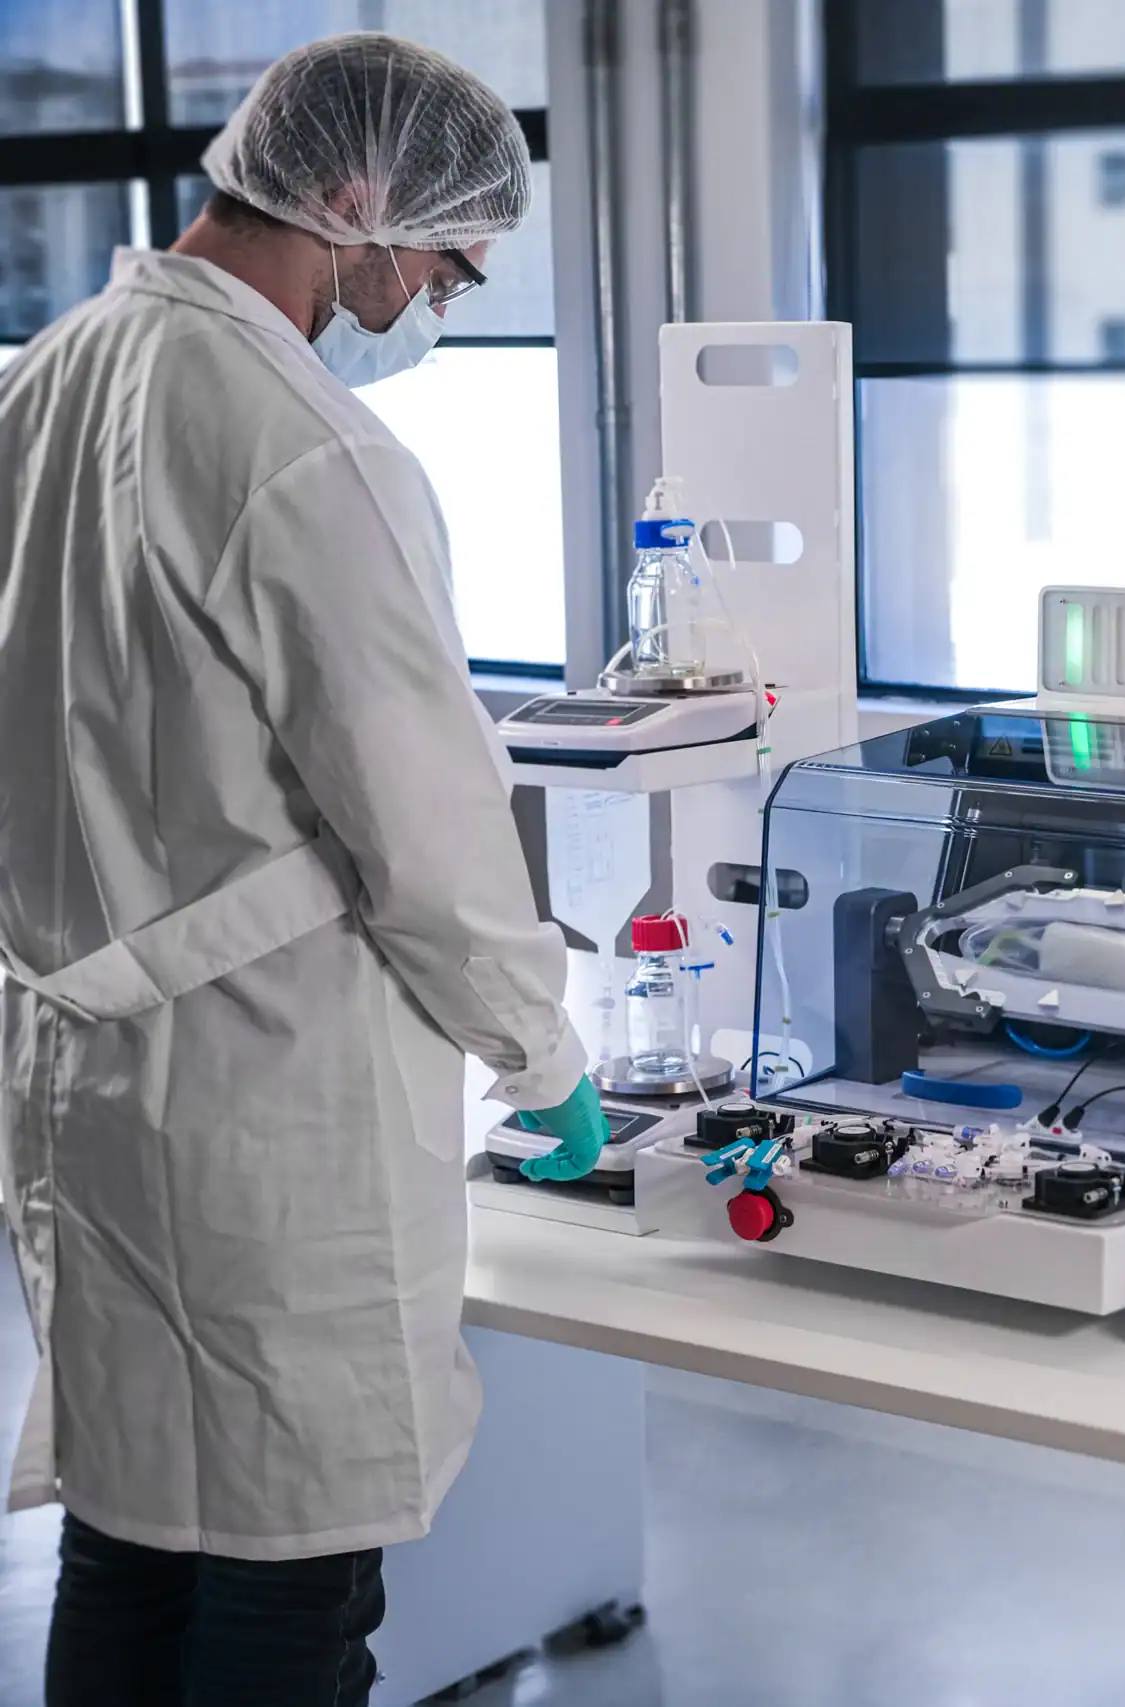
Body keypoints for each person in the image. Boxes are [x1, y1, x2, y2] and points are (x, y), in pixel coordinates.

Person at [0, 33, 612, 1707]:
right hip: (271, 1099)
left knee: (132, 1539)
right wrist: (548, 1056)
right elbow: (426, 836)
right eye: (440, 258)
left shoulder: (44, 378)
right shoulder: (309, 445)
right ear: (353, 198)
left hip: (89, 1074)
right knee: (286, 1583)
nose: (431, 298)